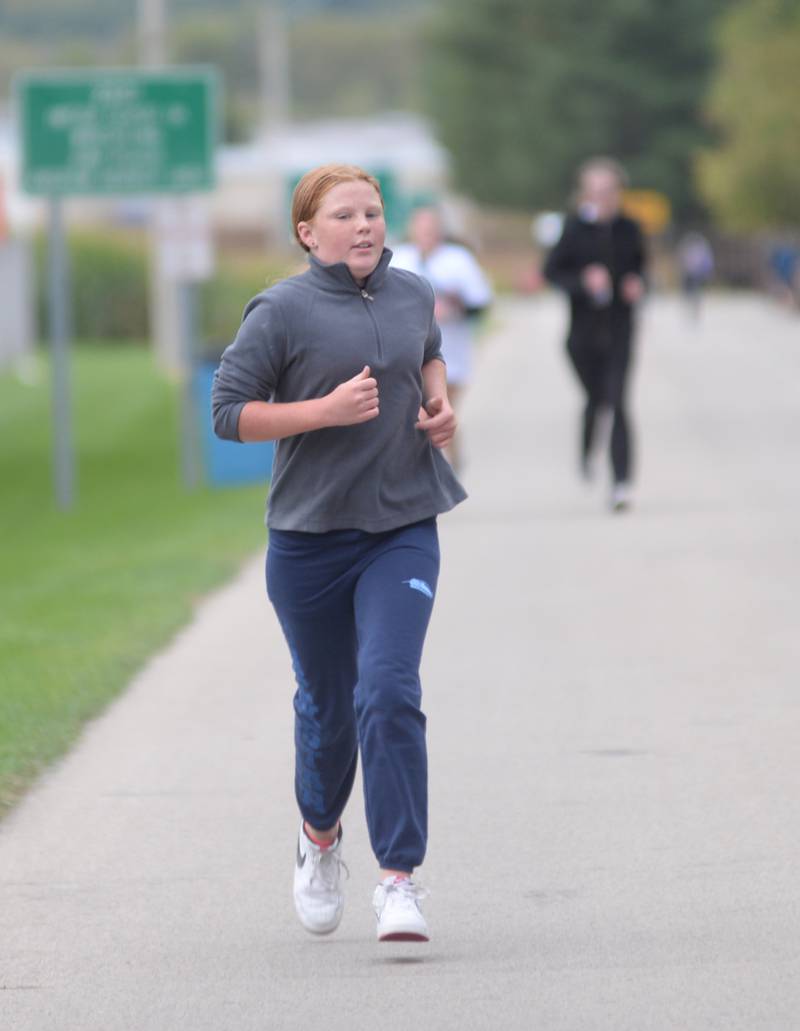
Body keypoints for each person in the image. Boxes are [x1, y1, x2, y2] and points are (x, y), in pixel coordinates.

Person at [211, 164, 465, 943]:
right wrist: (321, 411)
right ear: (307, 232)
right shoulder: (280, 311)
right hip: (310, 540)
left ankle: (399, 879)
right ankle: (319, 836)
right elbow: (227, 413)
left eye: (373, 212)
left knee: (387, 689)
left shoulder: (412, 291)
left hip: (402, 524)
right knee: (327, 711)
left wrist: (437, 396)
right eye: (345, 215)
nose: (364, 225)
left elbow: (426, 349)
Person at [544, 157, 646, 512]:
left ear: (619, 193)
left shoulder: (630, 228)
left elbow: (641, 268)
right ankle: (587, 451)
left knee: (618, 403)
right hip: (582, 335)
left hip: (620, 330)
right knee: (596, 400)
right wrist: (583, 283)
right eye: (595, 192)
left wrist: (637, 283)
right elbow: (552, 272)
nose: (602, 198)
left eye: (609, 191)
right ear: (584, 194)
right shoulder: (574, 229)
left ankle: (621, 483)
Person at [391, 206, 493, 472]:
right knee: (417, 412)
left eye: (431, 229)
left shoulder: (458, 260)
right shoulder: (399, 259)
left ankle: (448, 465)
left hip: (451, 354)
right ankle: (435, 466)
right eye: (421, 229)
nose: (426, 235)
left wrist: (456, 308)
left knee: (441, 409)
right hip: (408, 353)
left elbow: (480, 302)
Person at [678, 231, 714, 321]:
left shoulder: (701, 249)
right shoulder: (690, 249)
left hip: (697, 274)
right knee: (689, 293)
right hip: (689, 274)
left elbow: (707, 263)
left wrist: (706, 272)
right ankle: (690, 309)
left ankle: (694, 310)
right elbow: (683, 261)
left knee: (696, 293)